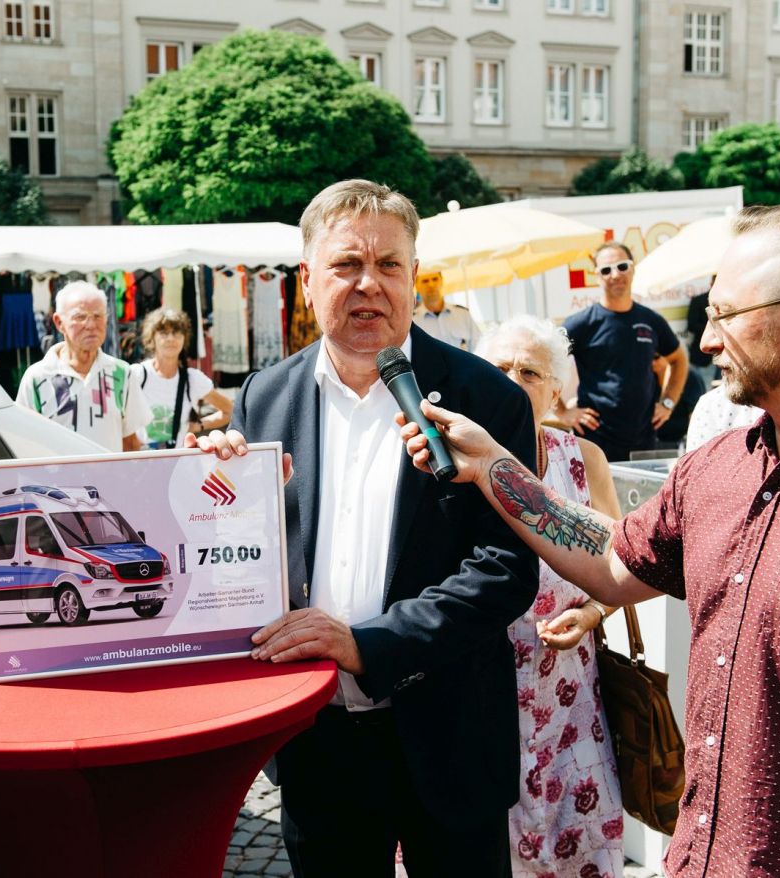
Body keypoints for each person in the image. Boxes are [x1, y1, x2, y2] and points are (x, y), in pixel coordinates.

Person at [399, 203, 780, 877]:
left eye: (724, 315)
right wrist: (494, 466)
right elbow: (612, 559)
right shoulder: (718, 465)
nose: (707, 343)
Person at [191, 179, 539, 877]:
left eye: (388, 265)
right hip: (319, 737)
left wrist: (370, 644)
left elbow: (505, 569)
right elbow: (237, 553)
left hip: (448, 733)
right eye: (346, 264)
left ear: (414, 277)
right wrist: (214, 491)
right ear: (308, 280)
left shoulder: (487, 397)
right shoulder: (264, 395)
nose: (368, 285)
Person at [476, 317, 625, 877]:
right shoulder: (450, 459)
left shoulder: (584, 461)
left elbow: (623, 565)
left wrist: (590, 612)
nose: (513, 380)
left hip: (569, 696)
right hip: (481, 693)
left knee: (579, 840)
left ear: (557, 387)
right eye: (498, 369)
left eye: (529, 371)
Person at [558, 242, 688, 461]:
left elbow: (678, 360)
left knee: (645, 496)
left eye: (622, 266)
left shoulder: (651, 321)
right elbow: (543, 365)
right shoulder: (580, 324)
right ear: (597, 276)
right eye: (606, 270)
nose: (615, 274)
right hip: (594, 441)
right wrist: (562, 412)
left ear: (633, 268)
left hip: (644, 441)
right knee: (596, 497)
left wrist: (667, 403)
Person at [16, 280, 152, 451]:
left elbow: (130, 442)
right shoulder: (38, 377)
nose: (91, 325)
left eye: (98, 316)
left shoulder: (122, 373)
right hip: (56, 479)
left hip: (109, 478)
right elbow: (25, 442)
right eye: (80, 317)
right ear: (59, 323)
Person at [134, 307, 231, 449]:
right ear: (152, 337)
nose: (171, 338)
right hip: (139, 463)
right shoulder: (137, 374)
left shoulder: (193, 380)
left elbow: (229, 411)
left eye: (176, 333)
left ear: (184, 338)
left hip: (177, 464)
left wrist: (200, 426)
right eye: (164, 333)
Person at [411, 270, 481, 351]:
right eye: (425, 281)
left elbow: (479, 347)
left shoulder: (463, 315)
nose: (431, 284)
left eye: (435, 279)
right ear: (416, 286)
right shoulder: (412, 322)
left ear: (442, 281)